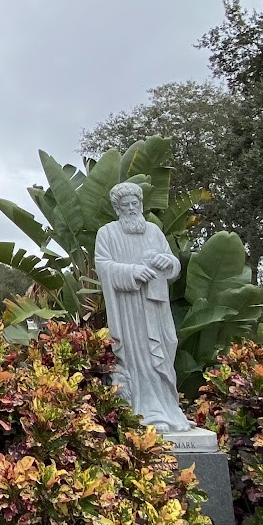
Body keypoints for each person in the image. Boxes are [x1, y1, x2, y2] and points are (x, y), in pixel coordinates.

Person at [93, 181, 190, 432]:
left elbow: (173, 266)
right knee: (138, 356)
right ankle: (145, 410)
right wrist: (132, 271)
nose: (131, 209)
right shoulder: (107, 233)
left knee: (164, 348)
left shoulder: (154, 232)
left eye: (135, 204)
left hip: (155, 307)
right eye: (125, 205)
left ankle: (168, 406)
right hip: (128, 310)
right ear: (117, 208)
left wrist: (166, 261)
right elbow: (103, 266)